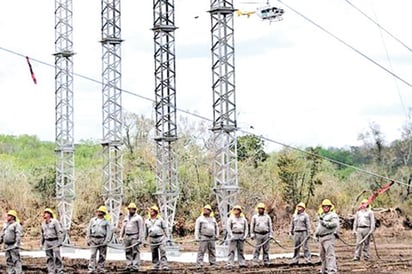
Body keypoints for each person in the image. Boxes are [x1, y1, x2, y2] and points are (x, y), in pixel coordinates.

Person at [315, 199, 339, 274]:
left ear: (330, 207)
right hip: (321, 237)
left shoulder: (333, 215)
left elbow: (335, 224)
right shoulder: (322, 215)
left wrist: (325, 223)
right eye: (324, 206)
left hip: (328, 237)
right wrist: (316, 234)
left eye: (327, 206)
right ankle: (324, 270)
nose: (325, 208)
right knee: (322, 255)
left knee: (330, 255)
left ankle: (332, 270)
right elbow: (319, 227)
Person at [86, 205, 112, 274]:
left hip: (102, 239)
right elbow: (88, 230)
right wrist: (88, 239)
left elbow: (109, 232)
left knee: (102, 255)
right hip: (94, 239)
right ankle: (91, 269)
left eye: (100, 211)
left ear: (103, 213)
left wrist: (106, 241)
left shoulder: (106, 221)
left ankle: (100, 269)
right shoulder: (93, 220)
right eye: (98, 211)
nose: (98, 212)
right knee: (92, 255)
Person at [119, 202, 144, 271]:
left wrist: (140, 238)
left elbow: (141, 229)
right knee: (127, 251)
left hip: (134, 236)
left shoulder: (138, 218)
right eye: (130, 209)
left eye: (132, 209)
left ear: (135, 209)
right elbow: (123, 227)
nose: (131, 210)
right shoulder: (126, 217)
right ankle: (129, 265)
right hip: (127, 236)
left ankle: (135, 266)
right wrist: (121, 236)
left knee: (135, 251)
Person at [40, 208, 65, 274]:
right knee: (49, 258)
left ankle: (60, 271)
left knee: (57, 257)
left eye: (45, 213)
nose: (44, 214)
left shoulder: (55, 222)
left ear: (49, 214)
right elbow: (42, 234)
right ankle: (51, 271)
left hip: (54, 241)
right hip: (47, 242)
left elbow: (59, 232)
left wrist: (60, 241)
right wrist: (41, 244)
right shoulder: (43, 224)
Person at [144, 205, 168, 270]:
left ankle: (164, 265)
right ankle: (155, 265)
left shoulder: (160, 220)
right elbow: (145, 231)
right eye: (151, 210)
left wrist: (167, 237)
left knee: (163, 251)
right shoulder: (147, 221)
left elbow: (165, 228)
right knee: (154, 253)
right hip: (152, 239)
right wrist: (144, 239)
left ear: (156, 212)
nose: (151, 211)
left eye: (153, 210)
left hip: (161, 238)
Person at [0, 210, 23, 274]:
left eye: (9, 215)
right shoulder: (5, 225)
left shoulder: (16, 224)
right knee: (8, 260)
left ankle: (18, 272)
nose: (7, 216)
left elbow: (18, 235)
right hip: (7, 246)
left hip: (13, 246)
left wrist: (17, 244)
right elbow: (2, 234)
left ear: (13, 217)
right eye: (8, 215)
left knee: (16, 260)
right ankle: (10, 272)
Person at [226, 205, 248, 269]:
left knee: (241, 250)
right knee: (231, 250)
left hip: (241, 235)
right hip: (233, 235)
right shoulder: (231, 218)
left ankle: (242, 263)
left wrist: (245, 236)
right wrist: (231, 235)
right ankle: (230, 263)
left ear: (240, 211)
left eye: (237, 209)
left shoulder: (243, 219)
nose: (236, 210)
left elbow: (246, 228)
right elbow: (228, 227)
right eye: (235, 209)